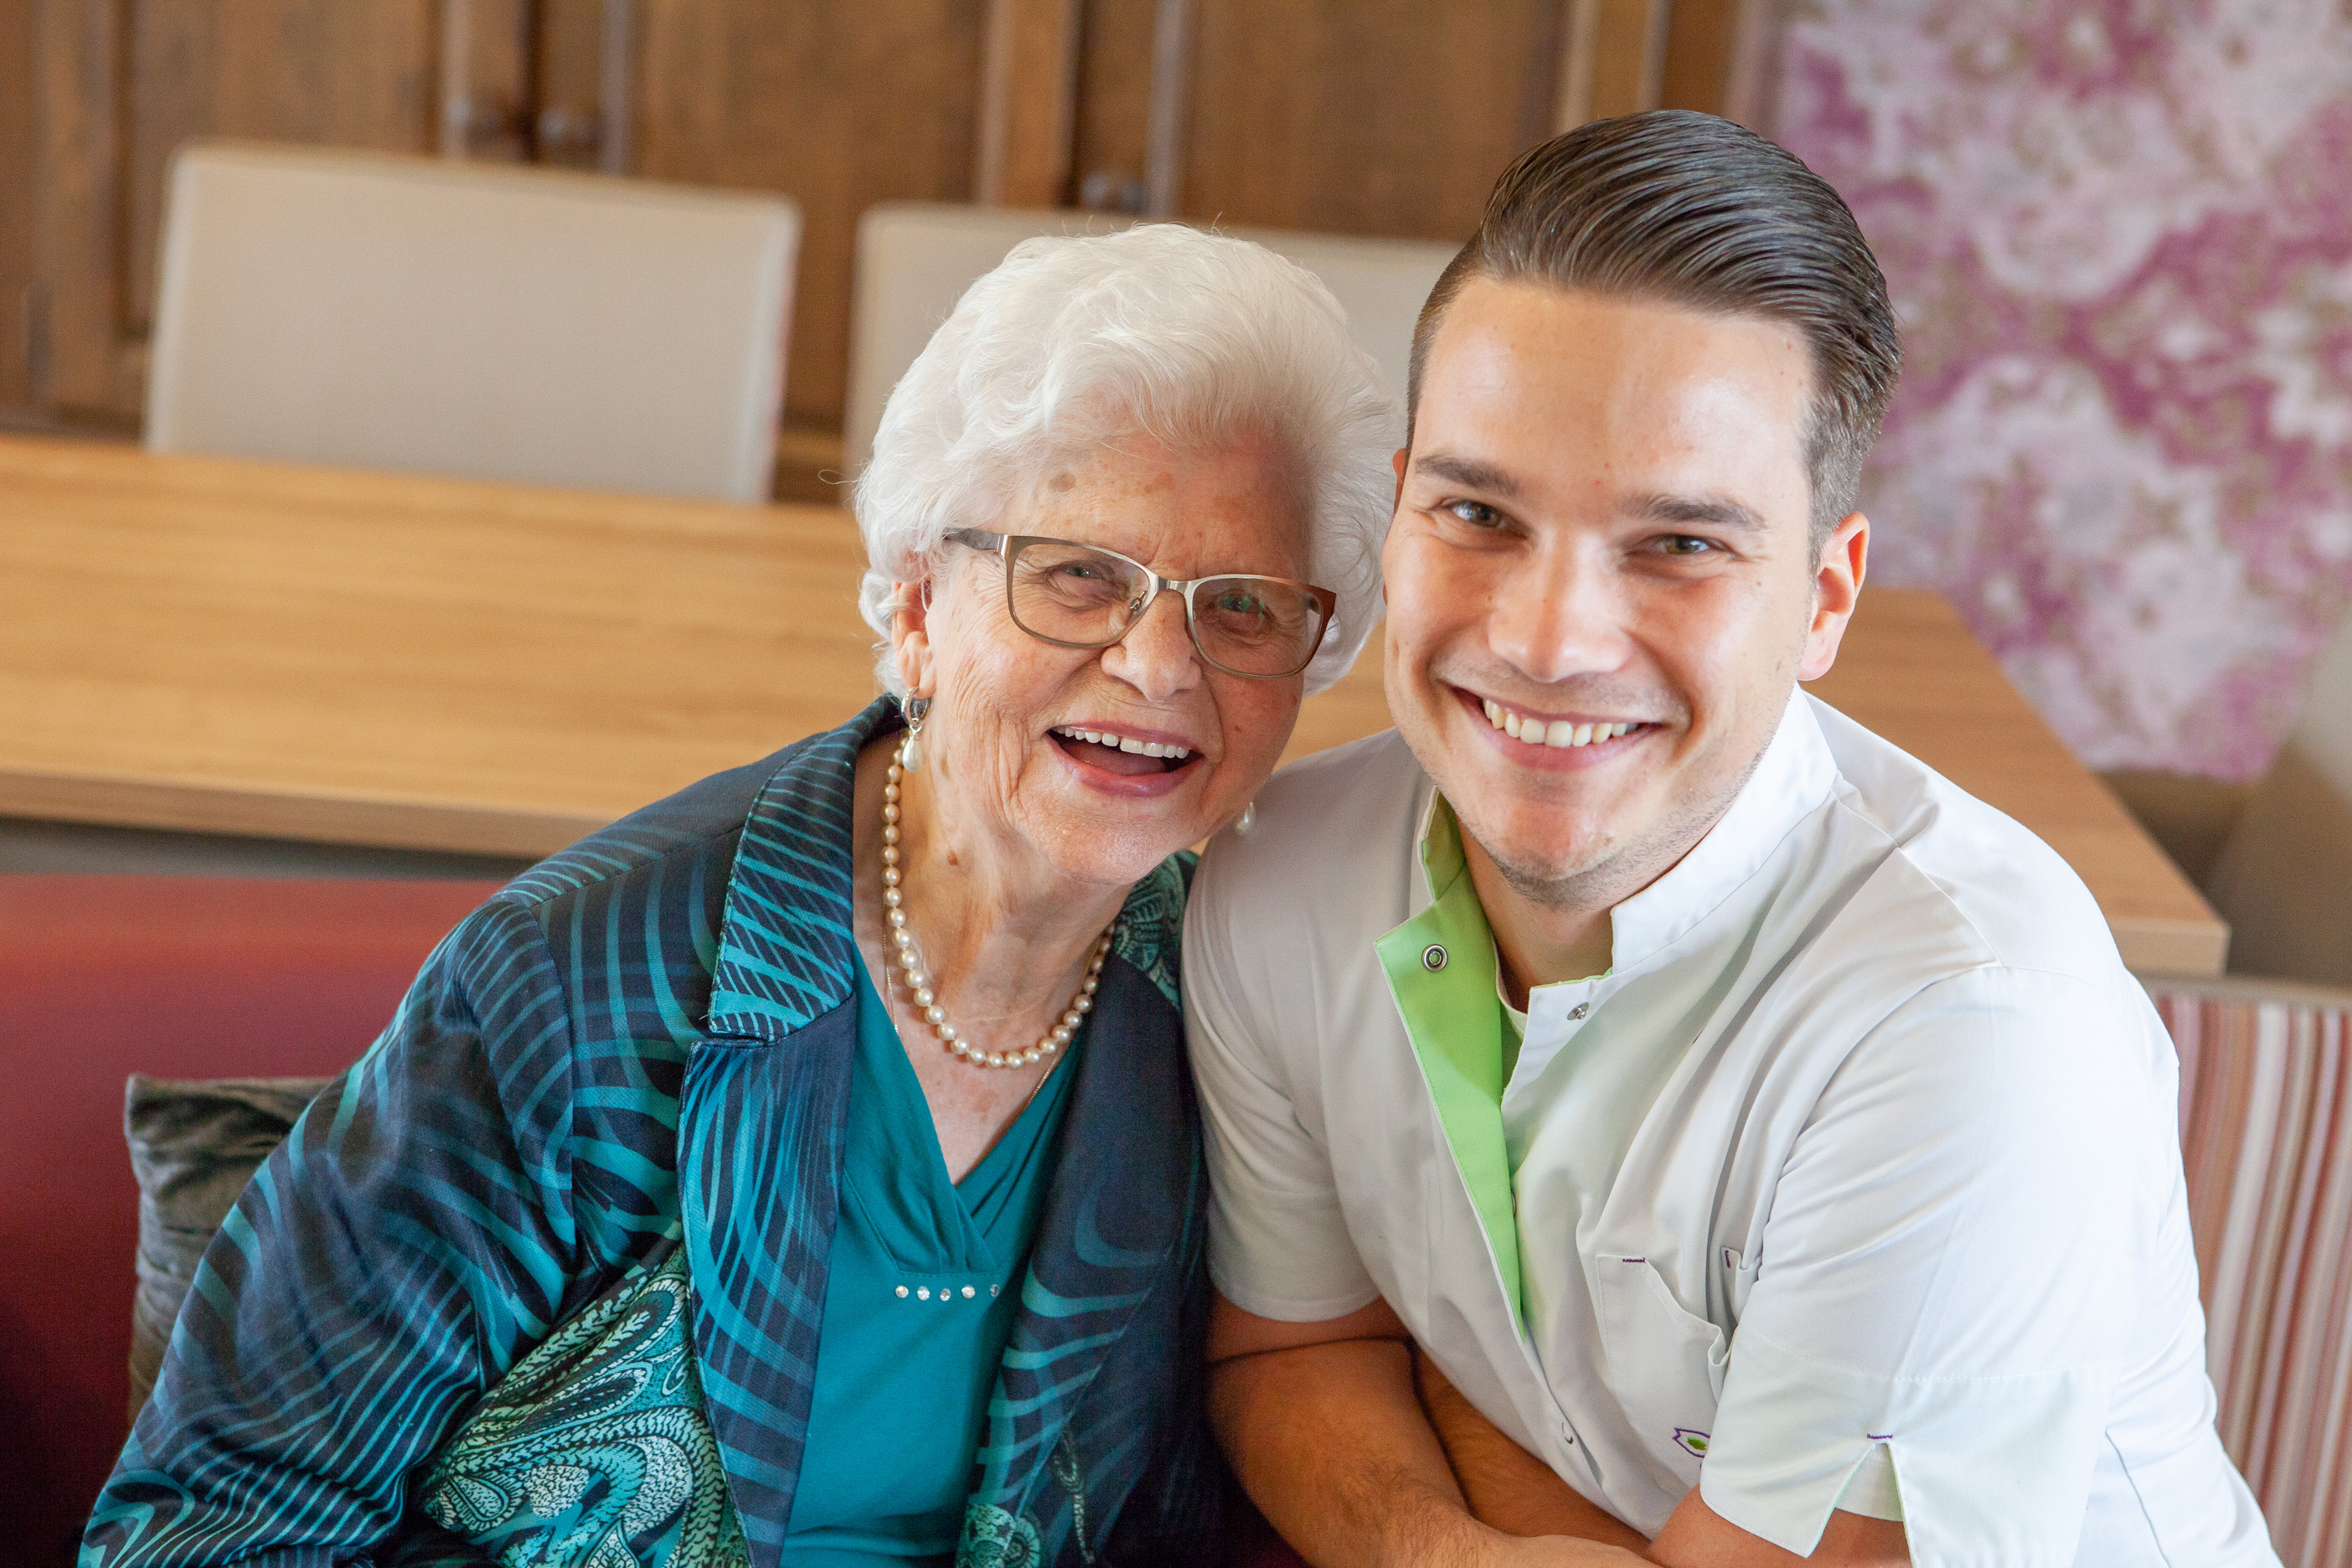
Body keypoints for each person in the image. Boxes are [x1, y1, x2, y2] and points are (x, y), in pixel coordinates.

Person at [85, 224, 1397, 1566]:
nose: (1160, 665)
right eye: (1078, 576)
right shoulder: (571, 986)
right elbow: (213, 1520)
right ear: (919, 610)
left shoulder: (1232, 1006)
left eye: (1240, 606)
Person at [1186, 111, 2277, 1567]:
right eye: (1479, 511)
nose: (1548, 641)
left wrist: (1427, 1433)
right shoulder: (1277, 876)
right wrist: (1443, 1550)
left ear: (1826, 598)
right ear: (1394, 516)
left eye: (1681, 544)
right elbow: (1289, 1355)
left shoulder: (1974, 1027)